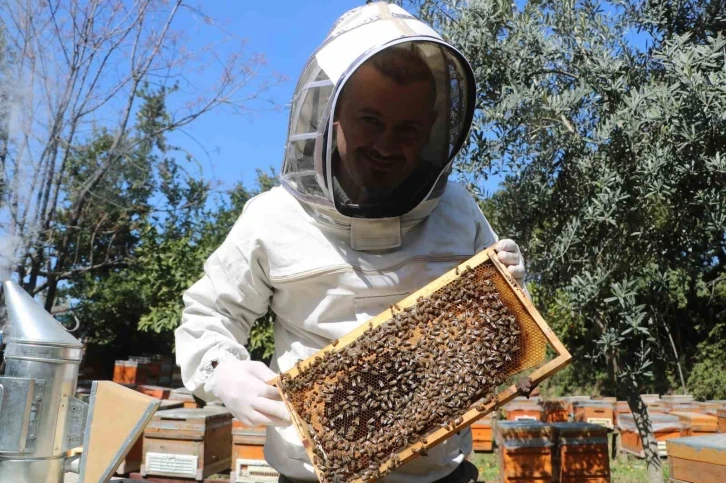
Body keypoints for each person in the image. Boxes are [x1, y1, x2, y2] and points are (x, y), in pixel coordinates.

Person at [175, 3, 528, 482]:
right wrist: (223, 371)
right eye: (370, 121)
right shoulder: (271, 217)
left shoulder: (458, 210)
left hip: (439, 474)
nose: (385, 146)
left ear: (430, 131)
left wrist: (510, 292)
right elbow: (208, 315)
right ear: (330, 116)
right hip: (313, 474)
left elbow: (503, 335)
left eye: (406, 129)